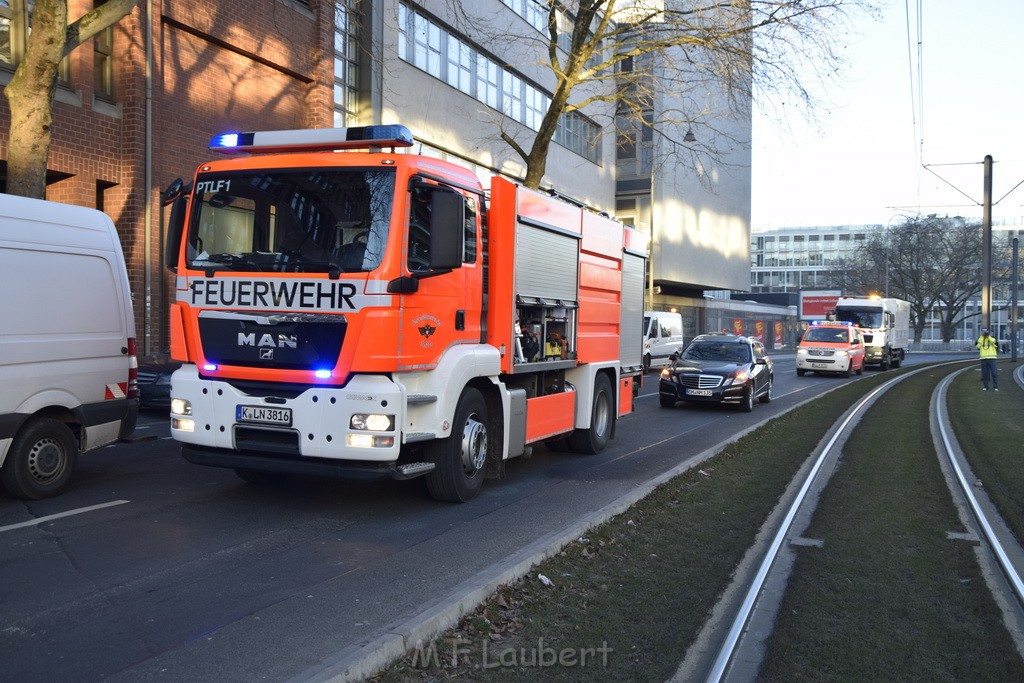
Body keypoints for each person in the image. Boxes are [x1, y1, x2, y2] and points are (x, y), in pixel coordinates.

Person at [975, 327, 999, 391]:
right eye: (983, 331)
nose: (984, 332)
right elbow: (977, 346)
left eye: (985, 331)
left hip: (992, 358)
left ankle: (996, 387)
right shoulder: (980, 338)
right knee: (985, 374)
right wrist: (982, 337)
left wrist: (988, 337)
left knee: (994, 373)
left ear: (988, 332)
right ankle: (985, 386)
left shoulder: (993, 338)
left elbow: (996, 345)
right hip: (984, 358)